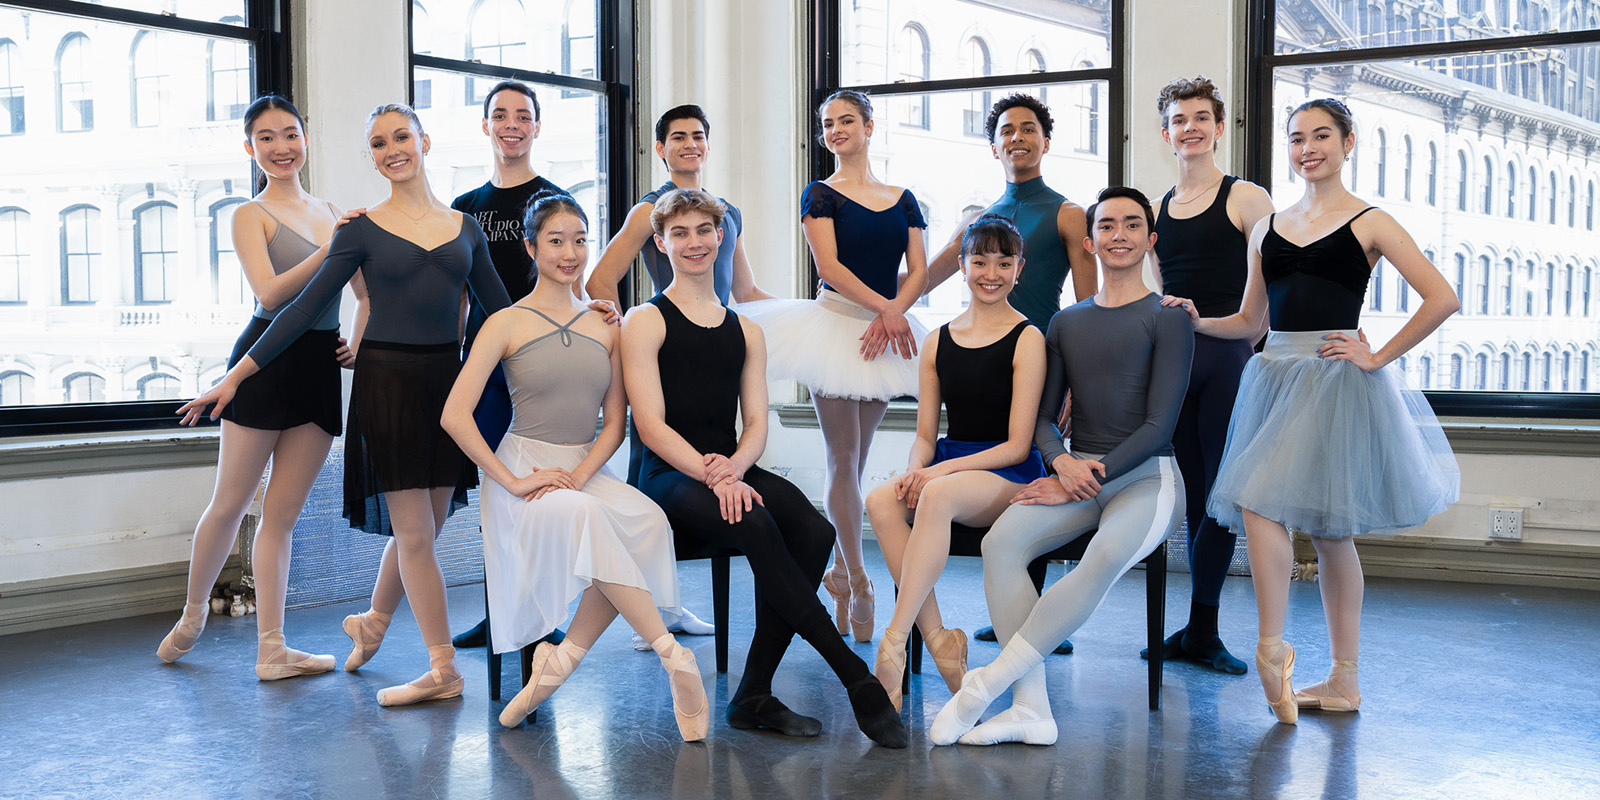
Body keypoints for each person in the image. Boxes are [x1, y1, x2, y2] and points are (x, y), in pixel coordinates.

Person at [180, 103, 513, 708]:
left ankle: (373, 623)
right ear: (372, 155)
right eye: (379, 143)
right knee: (414, 532)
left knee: (430, 528)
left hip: (448, 386)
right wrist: (236, 376)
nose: (392, 150)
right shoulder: (358, 229)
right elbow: (298, 308)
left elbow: (506, 311)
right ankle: (443, 669)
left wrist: (577, 315)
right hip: (388, 386)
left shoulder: (466, 228)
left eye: (401, 137)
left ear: (425, 141)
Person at [1163, 98, 1460, 724]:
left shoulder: (1371, 222)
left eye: (1321, 135)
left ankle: (1315, 665)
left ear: (1348, 142)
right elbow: (1251, 321)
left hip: (1334, 380)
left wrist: (1377, 355)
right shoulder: (1268, 226)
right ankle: (1286, 651)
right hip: (1273, 374)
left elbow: (1442, 297)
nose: (1307, 148)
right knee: (1275, 508)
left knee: (1320, 527)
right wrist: (1197, 321)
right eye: (1296, 138)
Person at [621, 188, 909, 748]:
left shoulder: (745, 329)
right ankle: (855, 677)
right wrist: (715, 476)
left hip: (729, 465)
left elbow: (756, 423)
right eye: (679, 234)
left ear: (721, 236)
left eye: (704, 230)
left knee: (815, 529)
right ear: (660, 243)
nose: (694, 243)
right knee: (755, 522)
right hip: (670, 474)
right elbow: (651, 426)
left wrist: (732, 469)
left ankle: (754, 691)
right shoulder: (645, 320)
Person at [930, 187, 1193, 747]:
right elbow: (1044, 420)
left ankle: (985, 685)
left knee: (1100, 557)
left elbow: (1159, 427)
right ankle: (1031, 709)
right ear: (1091, 240)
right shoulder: (1066, 322)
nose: (1118, 234)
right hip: (1077, 476)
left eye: (1131, 224)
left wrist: (1085, 473)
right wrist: (1061, 463)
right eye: (1106, 225)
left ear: (1150, 239)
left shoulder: (1169, 318)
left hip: (1148, 478)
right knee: (1002, 545)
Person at [441, 191, 707, 741]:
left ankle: (559, 663)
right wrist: (513, 481)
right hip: (523, 471)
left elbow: (615, 424)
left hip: (581, 470)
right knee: (589, 520)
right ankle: (673, 655)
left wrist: (582, 476)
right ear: (531, 246)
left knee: (648, 521)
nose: (570, 253)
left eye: (581, 240)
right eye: (557, 241)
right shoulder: (505, 323)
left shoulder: (606, 324)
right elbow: (454, 415)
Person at [156, 95, 364, 679]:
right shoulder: (250, 214)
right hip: (263, 360)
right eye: (266, 138)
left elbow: (357, 291)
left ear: (306, 139)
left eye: (290, 134)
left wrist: (354, 342)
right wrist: (332, 248)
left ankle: (272, 648)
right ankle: (194, 614)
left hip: (319, 367)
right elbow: (272, 296)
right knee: (230, 503)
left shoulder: (329, 208)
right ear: (250, 149)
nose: (280, 147)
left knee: (282, 516)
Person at [741, 90, 928, 644]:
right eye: (827, 124)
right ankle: (862, 580)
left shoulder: (904, 197)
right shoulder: (820, 194)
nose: (836, 130)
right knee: (842, 458)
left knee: (859, 456)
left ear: (870, 126)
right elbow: (830, 266)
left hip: (884, 333)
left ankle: (842, 574)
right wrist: (885, 309)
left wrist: (895, 313)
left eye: (847, 120)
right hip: (836, 325)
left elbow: (917, 268)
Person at [584, 103, 771, 648]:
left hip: (715, 336)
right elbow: (601, 276)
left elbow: (747, 291)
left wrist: (812, 312)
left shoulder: (725, 212)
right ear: (660, 149)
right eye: (677, 137)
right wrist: (624, 330)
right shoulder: (649, 211)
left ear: (708, 146)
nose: (689, 144)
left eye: (698, 136)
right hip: (665, 343)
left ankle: (663, 604)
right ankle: (656, 607)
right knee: (657, 471)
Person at [924, 92, 1098, 655]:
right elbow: (935, 272)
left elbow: (1087, 304)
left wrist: (1075, 378)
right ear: (993, 144)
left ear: (1045, 142)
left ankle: (1035, 618)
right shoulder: (981, 220)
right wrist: (886, 309)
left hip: (1042, 356)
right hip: (987, 357)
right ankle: (1014, 608)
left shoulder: (1069, 212)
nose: (1017, 137)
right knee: (999, 460)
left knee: (1035, 464)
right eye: (1006, 130)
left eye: (1029, 129)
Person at [865, 215, 1047, 712]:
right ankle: (940, 638)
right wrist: (912, 470)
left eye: (1003, 263)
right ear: (962, 266)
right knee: (881, 499)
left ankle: (895, 640)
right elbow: (926, 436)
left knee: (937, 493)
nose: (991, 272)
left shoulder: (1027, 338)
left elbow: (1015, 444)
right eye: (980, 261)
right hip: (949, 462)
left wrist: (934, 475)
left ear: (1019, 269)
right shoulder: (937, 340)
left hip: (1008, 473)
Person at [1142, 76, 1276, 675]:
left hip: (1228, 360)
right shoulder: (1156, 209)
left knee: (1221, 499)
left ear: (1219, 128)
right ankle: (1196, 630)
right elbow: (1158, 293)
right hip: (1178, 363)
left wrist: (1230, 333)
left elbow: (1265, 302)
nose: (1190, 127)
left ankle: (1206, 627)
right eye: (1179, 119)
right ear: (1165, 132)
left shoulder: (1246, 198)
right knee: (1196, 494)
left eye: (1201, 117)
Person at [445, 80, 571, 651]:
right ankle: (500, 611)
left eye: (523, 115)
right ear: (486, 125)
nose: (512, 124)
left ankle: (542, 613)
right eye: (501, 114)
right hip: (483, 362)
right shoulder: (464, 208)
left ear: (537, 127)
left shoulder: (553, 199)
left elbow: (571, 274)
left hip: (540, 363)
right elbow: (458, 297)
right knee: (495, 489)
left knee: (542, 489)